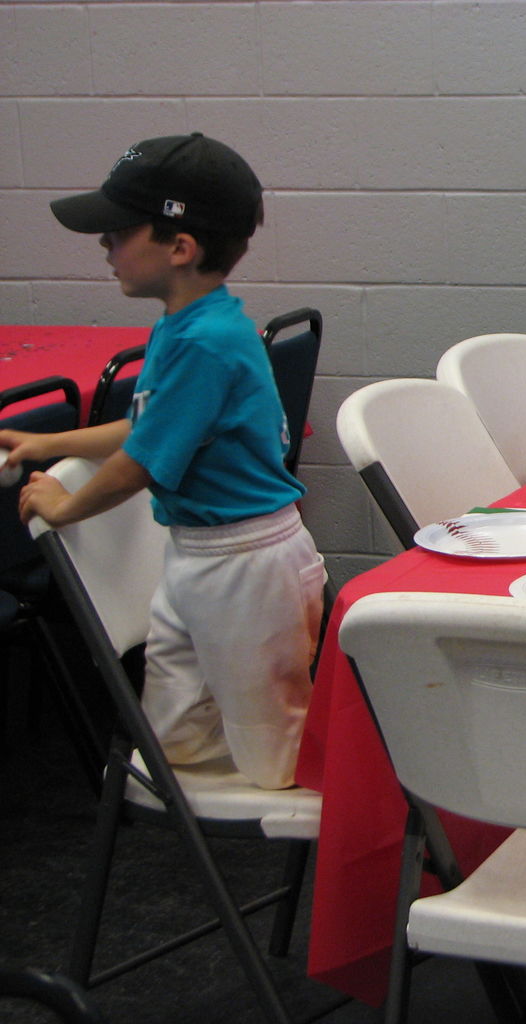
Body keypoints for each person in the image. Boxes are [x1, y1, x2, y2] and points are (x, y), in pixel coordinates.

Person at [0, 133, 325, 790]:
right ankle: (228, 787)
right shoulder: (185, 326)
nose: (105, 247)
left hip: (245, 563)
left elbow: (143, 461)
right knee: (171, 734)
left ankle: (307, 816)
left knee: (275, 746)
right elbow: (149, 426)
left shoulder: (207, 341)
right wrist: (50, 443)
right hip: (198, 555)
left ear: (180, 248)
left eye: (119, 232)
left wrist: (64, 507)